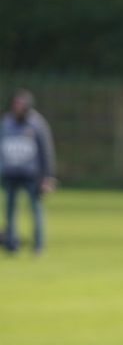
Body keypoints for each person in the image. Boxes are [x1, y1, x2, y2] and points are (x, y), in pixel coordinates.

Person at [1, 90, 57, 255]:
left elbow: (46, 151)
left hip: (32, 175)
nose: (17, 108)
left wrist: (49, 177)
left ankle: (38, 245)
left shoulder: (37, 123)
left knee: (36, 210)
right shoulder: (6, 123)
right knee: (9, 211)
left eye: (20, 106)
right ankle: (11, 244)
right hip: (10, 174)